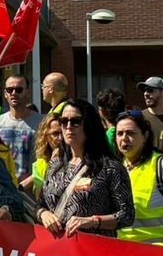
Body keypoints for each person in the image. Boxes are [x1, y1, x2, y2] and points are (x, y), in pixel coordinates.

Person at [36, 99, 133, 239]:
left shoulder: (110, 168)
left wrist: (93, 221)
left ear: (89, 125)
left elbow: (127, 214)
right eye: (64, 121)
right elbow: (41, 203)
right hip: (57, 247)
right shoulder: (55, 164)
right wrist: (43, 214)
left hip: (93, 247)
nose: (68, 127)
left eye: (75, 121)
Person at [113, 111, 163, 246]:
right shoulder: (115, 168)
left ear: (144, 136)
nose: (124, 138)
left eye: (130, 133)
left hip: (162, 254)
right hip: (126, 253)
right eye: (119, 133)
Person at [0, 74, 43, 185]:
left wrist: (28, 182)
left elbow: (47, 158)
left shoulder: (42, 122)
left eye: (19, 90)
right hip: (4, 187)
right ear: (5, 93)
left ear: (27, 92)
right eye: (10, 90)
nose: (14, 93)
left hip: (31, 189)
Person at [27, 113, 62, 193]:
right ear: (46, 136)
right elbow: (39, 195)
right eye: (55, 134)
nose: (61, 138)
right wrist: (53, 164)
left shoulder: (76, 158)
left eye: (63, 133)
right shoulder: (41, 163)